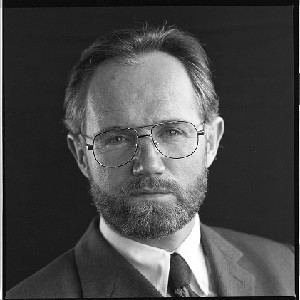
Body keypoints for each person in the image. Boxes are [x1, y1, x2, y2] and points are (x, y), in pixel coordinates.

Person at [6, 24, 294, 298]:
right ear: (82, 155)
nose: (149, 164)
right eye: (116, 138)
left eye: (172, 131)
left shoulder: (289, 269)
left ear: (212, 142)